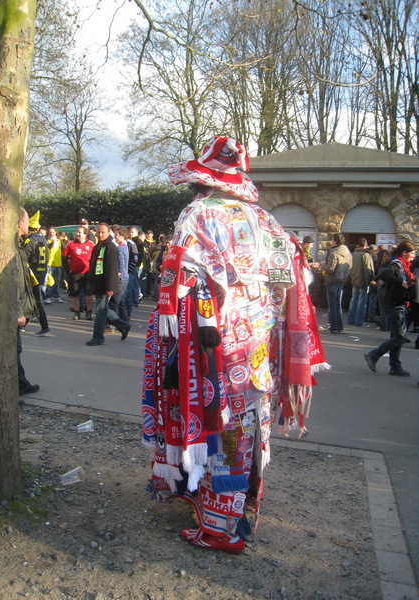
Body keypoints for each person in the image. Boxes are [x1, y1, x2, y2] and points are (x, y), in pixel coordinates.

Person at [142, 136, 327, 554]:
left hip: (216, 349)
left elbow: (182, 280)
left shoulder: (199, 214)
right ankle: (241, 510)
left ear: (202, 181)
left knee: (220, 428)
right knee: (248, 429)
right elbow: (296, 282)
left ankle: (221, 529)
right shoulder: (267, 220)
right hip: (259, 351)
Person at [364, 240, 416, 377]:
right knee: (400, 336)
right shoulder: (396, 264)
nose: (413, 256)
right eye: (412, 253)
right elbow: (383, 274)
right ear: (404, 252)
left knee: (396, 336)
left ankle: (395, 366)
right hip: (393, 304)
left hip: (399, 303)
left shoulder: (403, 265)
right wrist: (401, 282)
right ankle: (374, 355)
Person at [86, 223, 131, 346]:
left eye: (103, 232)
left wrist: (110, 287)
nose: (100, 234)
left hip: (105, 284)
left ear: (108, 233)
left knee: (100, 312)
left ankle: (98, 338)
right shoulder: (99, 245)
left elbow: (112, 269)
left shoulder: (111, 247)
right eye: (99, 232)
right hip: (98, 283)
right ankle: (123, 325)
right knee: (103, 309)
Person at [17, 207, 40, 399]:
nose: (29, 225)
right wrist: (19, 312)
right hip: (13, 311)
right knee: (13, 350)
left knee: (15, 349)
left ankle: (21, 385)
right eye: (26, 221)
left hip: (17, 307)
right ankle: (17, 388)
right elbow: (14, 283)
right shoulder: (13, 248)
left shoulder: (19, 245)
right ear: (19, 224)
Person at [23, 210, 50, 336]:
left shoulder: (30, 241)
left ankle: (45, 326)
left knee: (36, 300)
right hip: (41, 273)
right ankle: (23, 324)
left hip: (32, 274)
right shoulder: (43, 240)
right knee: (31, 299)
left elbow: (23, 257)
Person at [62, 226, 95, 320]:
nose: (77, 234)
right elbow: (64, 257)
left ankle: (89, 311)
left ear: (85, 234)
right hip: (74, 273)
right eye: (77, 232)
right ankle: (76, 312)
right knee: (75, 293)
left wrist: (93, 270)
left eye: (80, 232)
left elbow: (95, 258)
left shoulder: (91, 244)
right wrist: (68, 269)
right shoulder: (70, 244)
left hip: (87, 273)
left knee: (89, 293)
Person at [322, 233, 352, 334]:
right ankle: (339, 327)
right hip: (342, 280)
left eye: (332, 240)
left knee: (333, 305)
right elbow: (350, 266)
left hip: (332, 281)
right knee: (338, 304)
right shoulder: (347, 252)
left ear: (335, 241)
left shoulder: (334, 253)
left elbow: (330, 269)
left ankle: (334, 327)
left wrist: (322, 266)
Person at [347, 238, 375, 327]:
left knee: (354, 300)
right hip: (363, 281)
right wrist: (369, 281)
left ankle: (350, 320)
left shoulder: (353, 254)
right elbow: (367, 270)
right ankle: (359, 321)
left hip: (354, 280)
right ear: (366, 245)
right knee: (362, 302)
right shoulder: (365, 255)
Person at [44, 226, 64, 304]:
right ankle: (48, 297)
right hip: (50, 264)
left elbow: (63, 250)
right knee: (49, 281)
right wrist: (52, 244)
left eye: (53, 232)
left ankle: (56, 296)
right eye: (50, 232)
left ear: (55, 232)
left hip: (58, 264)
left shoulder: (59, 241)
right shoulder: (46, 240)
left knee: (57, 281)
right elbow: (46, 249)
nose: (51, 234)